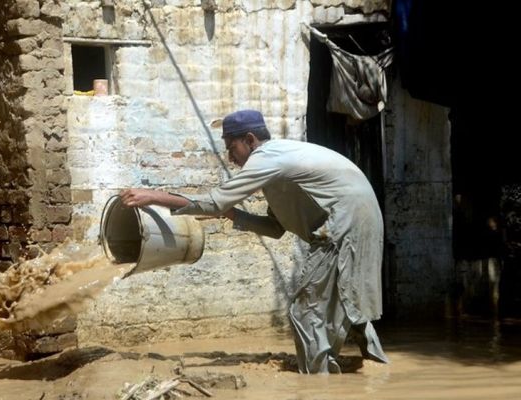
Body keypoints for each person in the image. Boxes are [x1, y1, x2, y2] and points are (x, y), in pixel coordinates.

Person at [120, 109, 389, 374]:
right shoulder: (281, 162)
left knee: (306, 312)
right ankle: (377, 370)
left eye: (231, 148)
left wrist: (154, 197)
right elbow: (276, 228)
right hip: (362, 218)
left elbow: (214, 202)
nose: (230, 158)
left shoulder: (266, 157)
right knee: (348, 300)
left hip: (342, 224)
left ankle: (317, 385)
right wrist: (234, 214)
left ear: (250, 140)